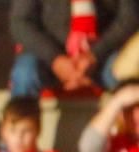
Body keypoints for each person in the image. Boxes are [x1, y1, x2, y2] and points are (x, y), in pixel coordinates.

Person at [9, 0, 138, 98]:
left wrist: (94, 55)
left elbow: (129, 19)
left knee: (127, 73)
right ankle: (19, 131)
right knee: (25, 73)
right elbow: (20, 22)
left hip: (103, 53)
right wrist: (55, 58)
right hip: (48, 53)